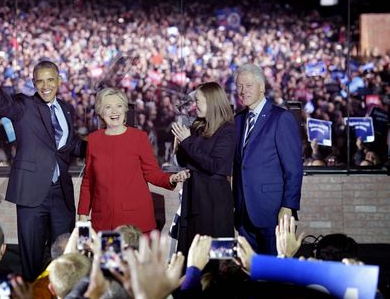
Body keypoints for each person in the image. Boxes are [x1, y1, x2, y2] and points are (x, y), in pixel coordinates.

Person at [0, 46, 87, 281]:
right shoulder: (24, 105)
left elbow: (71, 144)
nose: (45, 86)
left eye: (50, 80)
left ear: (59, 81)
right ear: (34, 83)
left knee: (65, 254)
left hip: (62, 194)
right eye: (40, 81)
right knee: (32, 257)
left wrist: (98, 145)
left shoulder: (66, 109)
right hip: (31, 192)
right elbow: (2, 105)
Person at [77, 87, 189, 233]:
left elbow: (152, 173)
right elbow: (88, 182)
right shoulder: (94, 139)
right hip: (103, 222)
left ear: (125, 110)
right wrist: (82, 216)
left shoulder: (139, 137)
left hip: (135, 223)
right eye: (108, 107)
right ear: (100, 112)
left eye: (118, 106)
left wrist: (172, 178)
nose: (114, 111)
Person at [232, 63, 303, 255]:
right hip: (243, 213)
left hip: (273, 213)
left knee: (274, 273)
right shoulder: (238, 121)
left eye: (248, 85)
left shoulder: (281, 118)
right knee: (249, 272)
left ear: (261, 87)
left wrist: (288, 206)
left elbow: (294, 169)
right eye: (239, 86)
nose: (242, 91)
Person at [171, 82, 236, 257]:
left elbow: (214, 165)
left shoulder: (227, 130)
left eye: (198, 101)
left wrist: (187, 141)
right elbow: (185, 161)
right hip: (193, 201)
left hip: (213, 204)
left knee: (215, 260)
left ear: (211, 101)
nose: (195, 106)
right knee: (192, 258)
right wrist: (179, 144)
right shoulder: (198, 126)